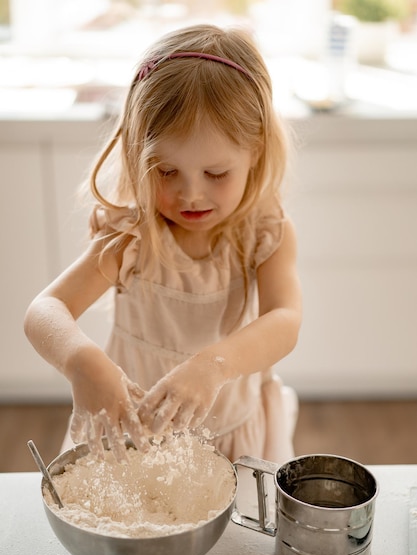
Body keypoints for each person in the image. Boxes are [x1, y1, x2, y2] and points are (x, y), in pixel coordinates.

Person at [24, 24, 302, 464]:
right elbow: (45, 310)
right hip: (135, 437)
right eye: (166, 172)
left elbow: (285, 319)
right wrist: (81, 361)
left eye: (215, 174)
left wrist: (216, 366)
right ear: (136, 154)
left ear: (257, 151)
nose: (191, 194)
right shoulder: (131, 236)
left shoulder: (262, 232)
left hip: (229, 435)